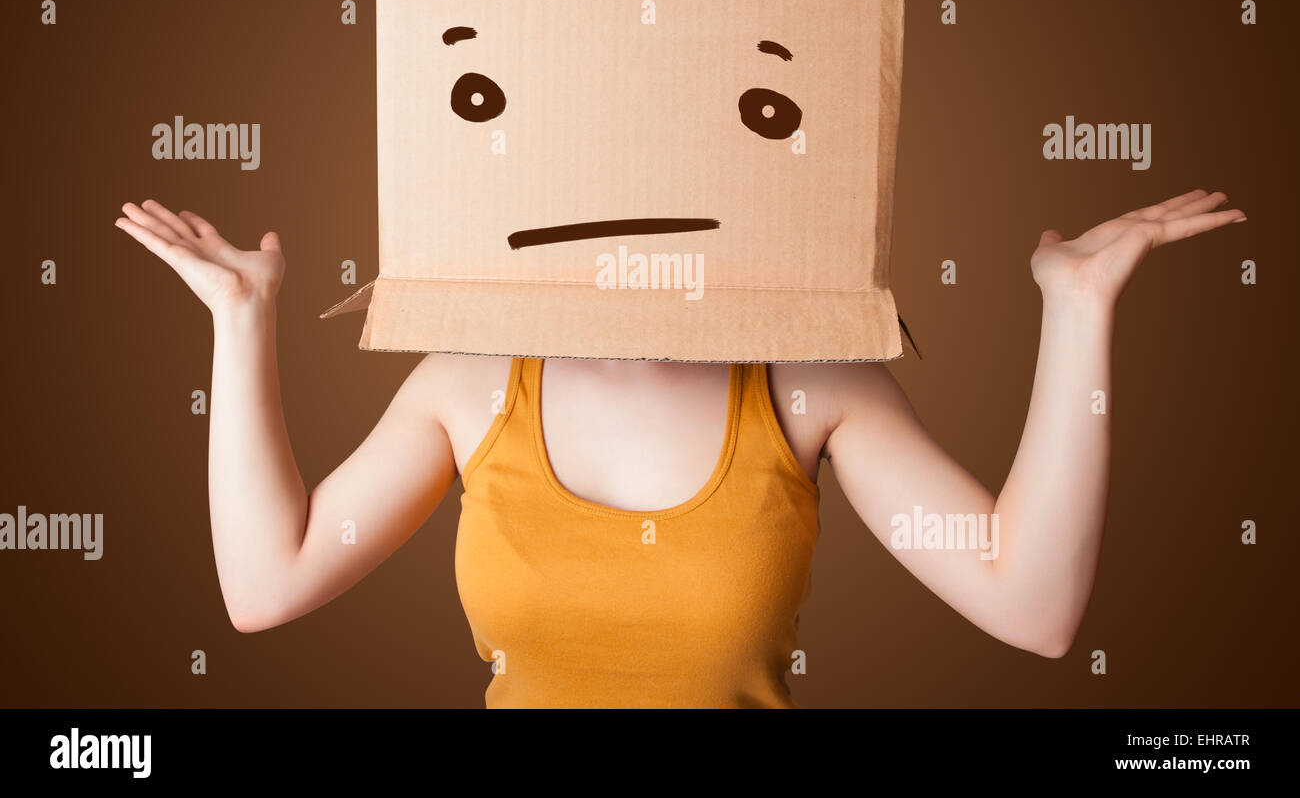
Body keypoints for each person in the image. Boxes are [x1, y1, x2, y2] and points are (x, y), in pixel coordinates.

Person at [113, 190, 1245, 707]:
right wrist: (240, 318)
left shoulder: (805, 378)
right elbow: (267, 582)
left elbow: (1029, 604)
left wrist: (1079, 305)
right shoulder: (469, 381)